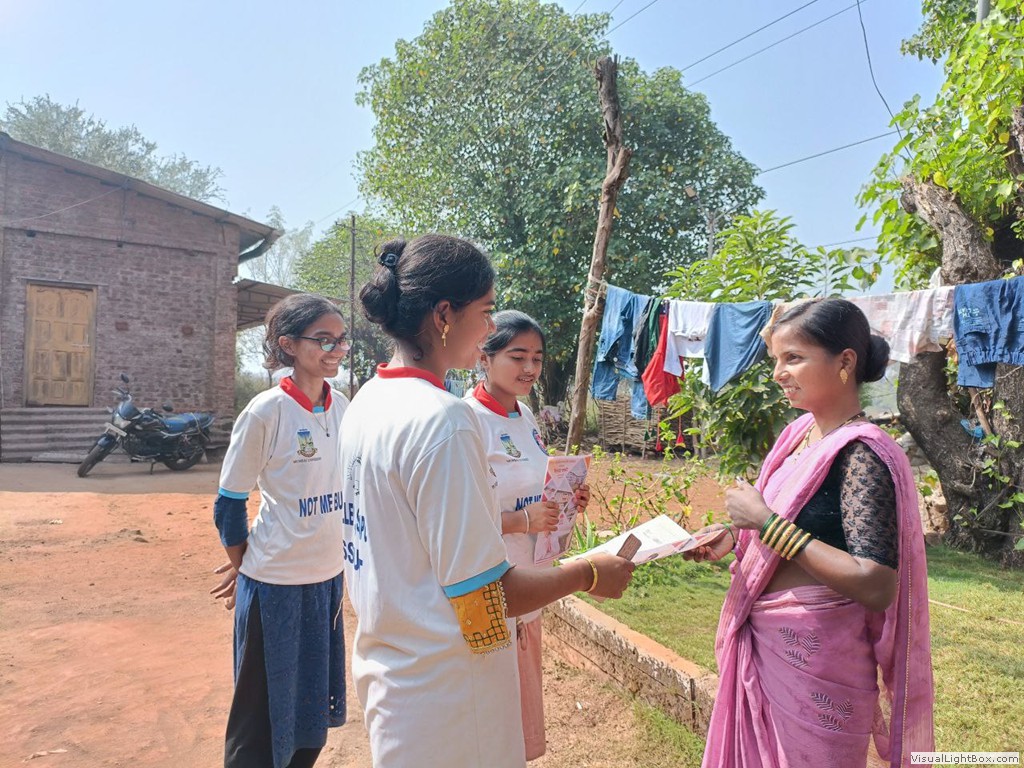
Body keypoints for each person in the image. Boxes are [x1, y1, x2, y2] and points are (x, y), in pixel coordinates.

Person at [341, 234, 635, 768]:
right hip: (452, 696)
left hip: (395, 679)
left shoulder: (367, 401)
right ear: (444, 315)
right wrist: (590, 573)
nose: (488, 327)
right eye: (485, 311)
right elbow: (488, 598)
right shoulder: (446, 420)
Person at [686, 298, 934, 768]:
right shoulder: (798, 437)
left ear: (845, 361)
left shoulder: (862, 455)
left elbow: (875, 584)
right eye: (776, 360)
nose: (778, 373)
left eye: (793, 358)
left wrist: (765, 523)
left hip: (819, 660)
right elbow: (797, 523)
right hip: (768, 643)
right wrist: (735, 537)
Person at [211, 293, 351, 768]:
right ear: (288, 345)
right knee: (260, 723)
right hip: (275, 587)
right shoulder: (265, 412)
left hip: (326, 582)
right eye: (324, 340)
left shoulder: (343, 407)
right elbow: (229, 504)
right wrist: (245, 564)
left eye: (341, 340)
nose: (336, 349)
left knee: (311, 714)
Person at [465, 310, 591, 761]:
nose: (530, 368)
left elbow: (533, 490)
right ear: (484, 357)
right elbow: (456, 519)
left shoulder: (527, 416)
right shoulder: (466, 421)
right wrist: (522, 520)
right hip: (490, 589)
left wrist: (567, 497)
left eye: (537, 358)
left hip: (530, 579)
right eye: (517, 356)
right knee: (486, 721)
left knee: (516, 721)